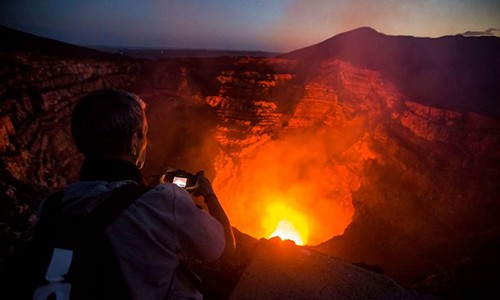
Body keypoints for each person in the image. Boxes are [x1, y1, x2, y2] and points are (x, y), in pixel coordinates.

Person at [42, 88, 235, 299]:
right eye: (144, 133)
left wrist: (147, 188)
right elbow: (224, 249)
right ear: (134, 141)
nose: (146, 143)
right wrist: (209, 194)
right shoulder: (163, 201)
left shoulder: (51, 206)